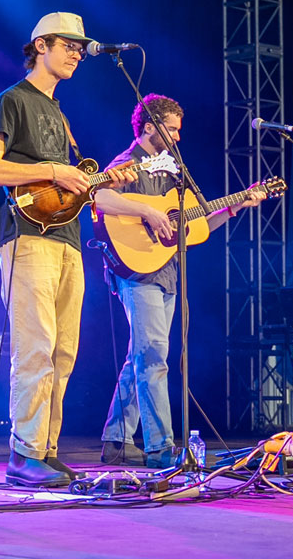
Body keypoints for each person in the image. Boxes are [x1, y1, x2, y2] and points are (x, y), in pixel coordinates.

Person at [0, 13, 134, 488]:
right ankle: (22, 454)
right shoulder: (12, 101)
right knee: (36, 348)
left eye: (81, 50)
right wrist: (52, 169)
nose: (78, 55)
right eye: (69, 46)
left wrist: (103, 183)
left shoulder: (60, 115)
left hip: (66, 239)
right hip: (25, 236)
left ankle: (45, 450)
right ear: (41, 45)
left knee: (63, 351)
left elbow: (70, 191)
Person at [95, 95, 262, 467]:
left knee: (141, 356)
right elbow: (100, 198)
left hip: (167, 271)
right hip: (137, 270)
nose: (177, 137)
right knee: (154, 357)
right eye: (171, 130)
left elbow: (197, 226)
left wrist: (234, 206)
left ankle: (116, 439)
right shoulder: (126, 164)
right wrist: (146, 211)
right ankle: (160, 447)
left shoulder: (172, 171)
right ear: (149, 128)